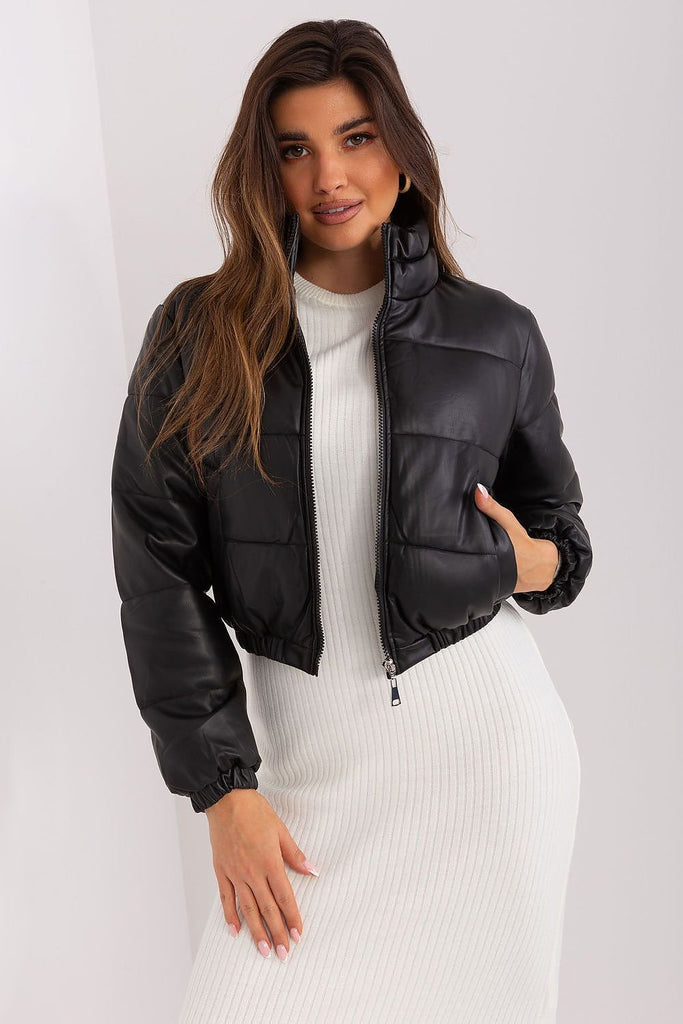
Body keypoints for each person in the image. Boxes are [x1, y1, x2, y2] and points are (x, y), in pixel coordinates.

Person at [110, 18, 593, 1024]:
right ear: (264, 170)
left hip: (486, 769)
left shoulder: (493, 333)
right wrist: (223, 791)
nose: (329, 175)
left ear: (401, 153)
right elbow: (157, 570)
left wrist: (523, 562)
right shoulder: (200, 335)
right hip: (299, 789)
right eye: (295, 149)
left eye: (356, 138)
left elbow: (563, 541)